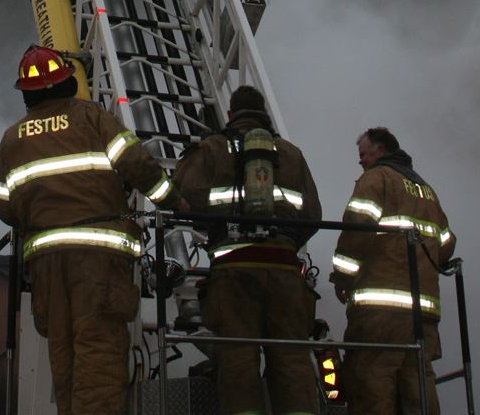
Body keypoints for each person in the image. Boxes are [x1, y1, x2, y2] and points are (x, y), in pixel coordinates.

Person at [0, 44, 186, 415]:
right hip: (98, 260)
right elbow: (136, 164)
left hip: (45, 265)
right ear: (67, 82)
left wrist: (37, 220)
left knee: (65, 366)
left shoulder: (12, 139)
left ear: (27, 93)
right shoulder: (92, 117)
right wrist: (174, 201)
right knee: (99, 363)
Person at [175, 84, 322, 415]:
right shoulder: (290, 154)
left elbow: (186, 198)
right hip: (285, 269)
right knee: (292, 360)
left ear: (230, 114)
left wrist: (218, 230)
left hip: (233, 269)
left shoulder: (212, 149)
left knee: (238, 360)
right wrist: (284, 240)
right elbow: (312, 214)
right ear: (264, 112)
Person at [330, 126, 456, 415]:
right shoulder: (427, 192)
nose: (360, 161)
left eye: (363, 154)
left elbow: (357, 229)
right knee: (419, 391)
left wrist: (341, 277)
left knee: (372, 384)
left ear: (380, 151)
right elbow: (447, 244)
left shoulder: (376, 179)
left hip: (380, 315)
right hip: (422, 317)